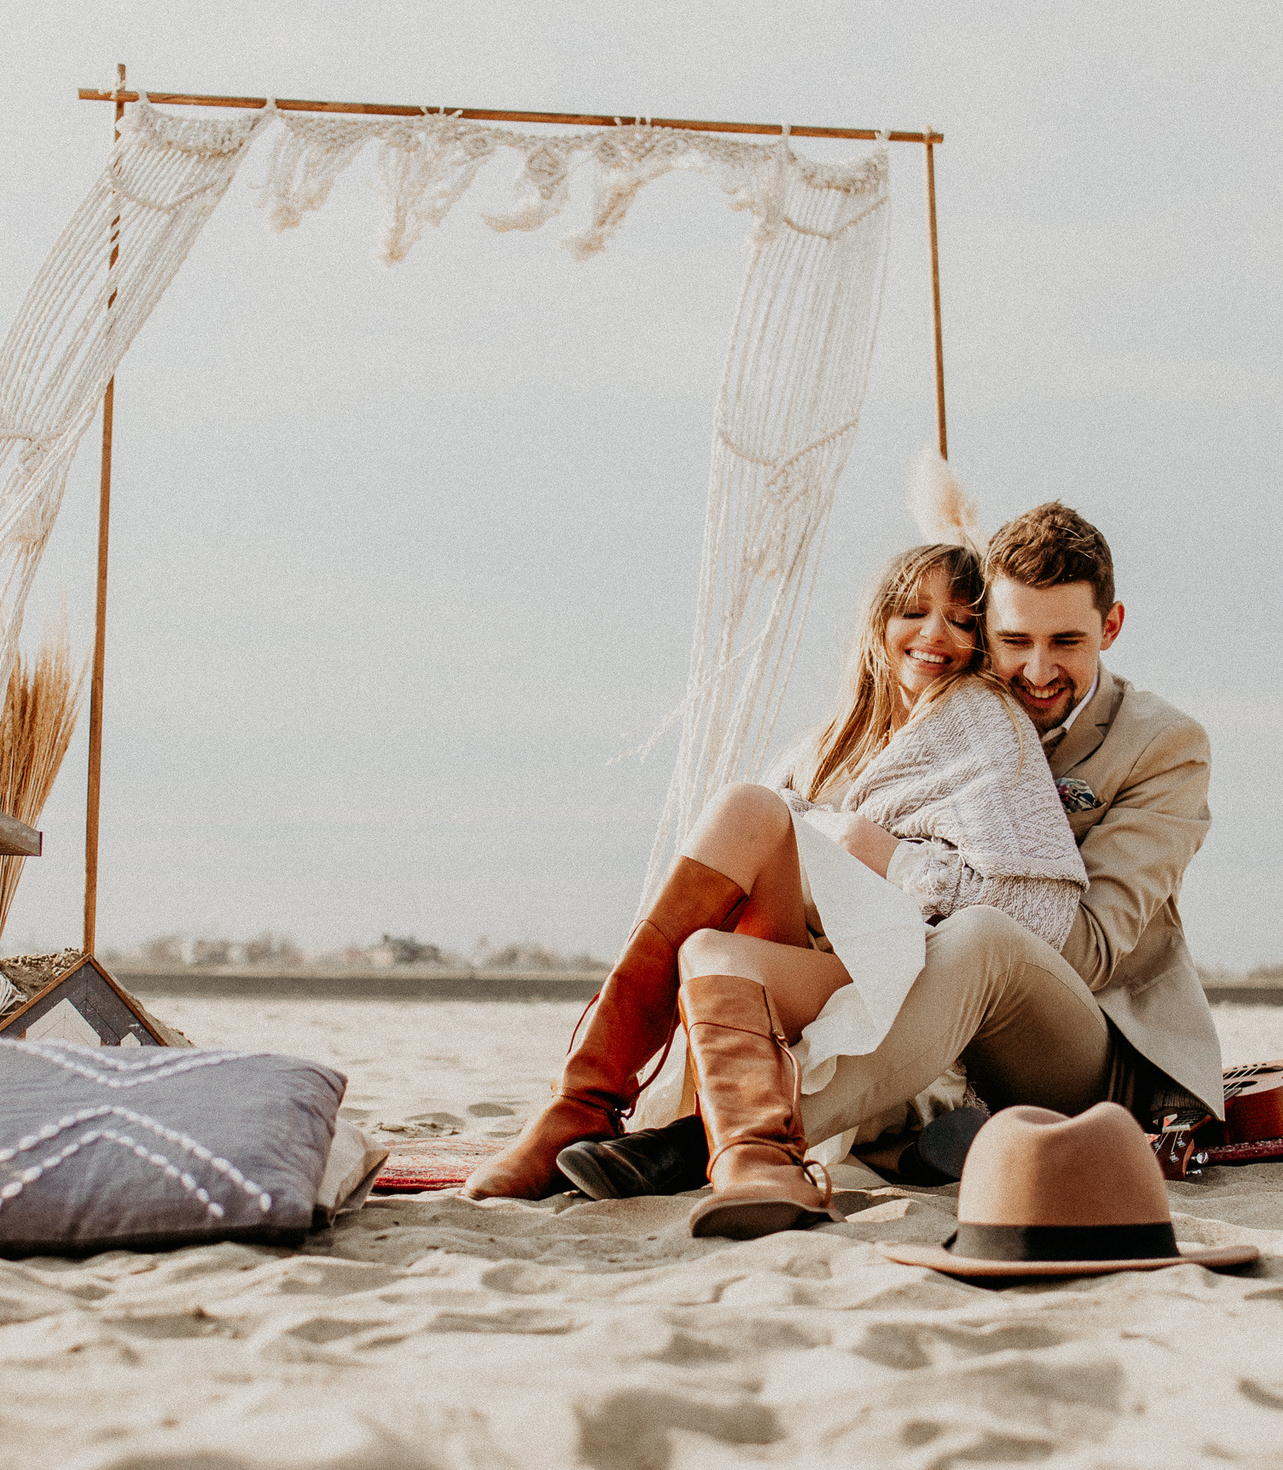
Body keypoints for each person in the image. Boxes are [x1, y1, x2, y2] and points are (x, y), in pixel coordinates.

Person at [568, 499, 1222, 1199]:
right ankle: (579, 1100)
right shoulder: (926, 726)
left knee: (983, 935)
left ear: (1110, 627)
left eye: (1066, 641)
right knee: (743, 840)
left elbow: (1089, 950)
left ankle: (704, 1143)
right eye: (1014, 640)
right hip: (916, 1009)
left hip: (1079, 1044)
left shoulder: (1161, 745)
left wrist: (895, 861)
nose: (1037, 670)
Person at [461, 539, 1086, 1237]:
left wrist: (885, 857)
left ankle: (601, 1113)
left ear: (979, 640)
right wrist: (823, 837)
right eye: (913, 611)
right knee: (714, 923)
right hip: (816, 965)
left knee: (754, 814)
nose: (935, 633)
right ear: (878, 621)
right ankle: (627, 1118)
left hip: (904, 972)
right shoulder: (830, 742)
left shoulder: (983, 719)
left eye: (962, 620)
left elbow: (1029, 908)